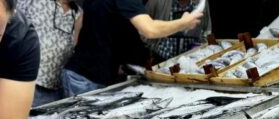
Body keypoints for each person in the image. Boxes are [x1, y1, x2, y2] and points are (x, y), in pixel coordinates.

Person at [62, 0, 203, 97]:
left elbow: (104, 26)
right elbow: (150, 30)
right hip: (85, 79)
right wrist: (183, 23)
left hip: (91, 74)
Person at [17, 0, 82, 106]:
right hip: (27, 79)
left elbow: (75, 44)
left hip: (54, 86)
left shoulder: (78, 13)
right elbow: (11, 22)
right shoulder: (34, 2)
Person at [145, 0, 212, 64]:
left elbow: (206, 30)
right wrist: (152, 50)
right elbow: (144, 29)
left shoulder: (201, 2)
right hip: (161, 59)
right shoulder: (157, 2)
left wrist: (200, 48)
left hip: (191, 60)